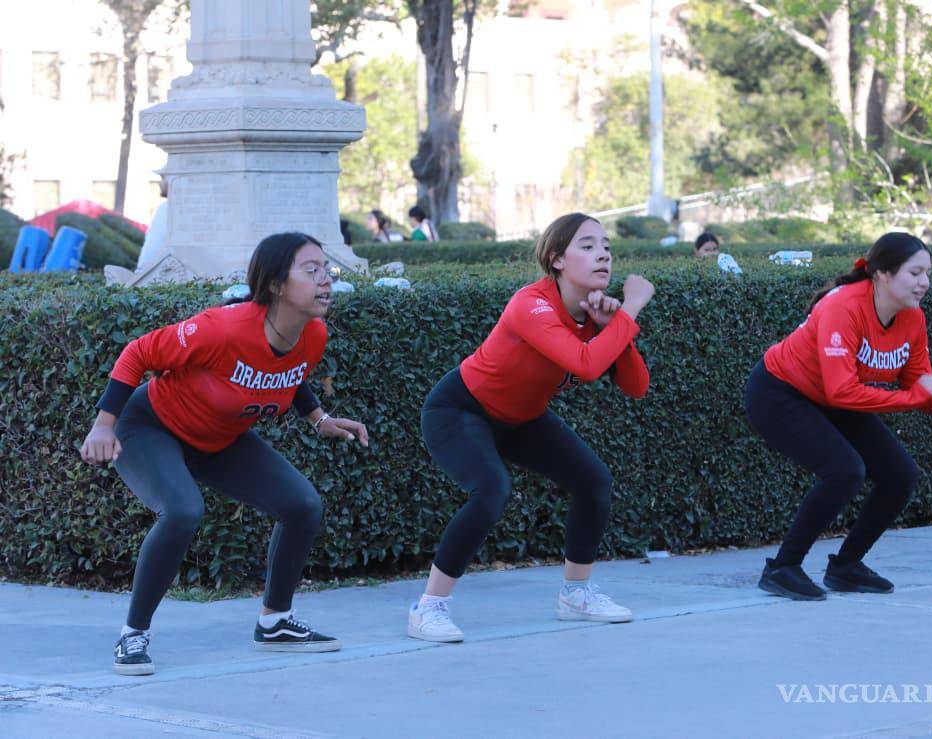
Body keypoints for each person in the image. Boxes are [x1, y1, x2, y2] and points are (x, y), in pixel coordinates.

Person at [80, 232, 369, 676]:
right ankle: (133, 634)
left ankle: (275, 623)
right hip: (151, 426)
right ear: (275, 284)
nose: (325, 279)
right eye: (310, 270)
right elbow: (138, 352)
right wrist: (104, 424)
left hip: (218, 438)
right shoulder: (222, 328)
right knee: (182, 511)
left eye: (326, 269)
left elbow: (288, 372)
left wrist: (318, 418)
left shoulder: (313, 334)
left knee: (302, 506)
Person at [408, 212, 655, 642]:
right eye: (588, 246)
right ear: (557, 259)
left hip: (522, 417)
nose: (603, 255)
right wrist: (630, 308)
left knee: (594, 481)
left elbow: (636, 386)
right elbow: (585, 364)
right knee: (491, 490)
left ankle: (575, 596)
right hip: (461, 409)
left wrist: (612, 327)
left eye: (607, 247)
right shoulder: (531, 304)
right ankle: (428, 607)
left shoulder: (593, 314)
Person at [744, 232, 932, 601]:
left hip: (833, 396)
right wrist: (917, 396)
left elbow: (918, 387)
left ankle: (846, 567)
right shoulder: (843, 307)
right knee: (844, 470)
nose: (924, 282)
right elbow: (841, 391)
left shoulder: (912, 318)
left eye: (928, 273)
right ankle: (782, 568)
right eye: (915, 273)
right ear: (882, 274)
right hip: (779, 392)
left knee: (900, 475)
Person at [136, 175, 168, 271]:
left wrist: (140, 272)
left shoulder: (166, 208)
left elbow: (153, 248)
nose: (159, 183)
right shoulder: (165, 207)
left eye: (163, 178)